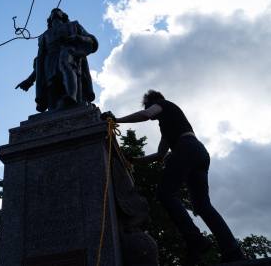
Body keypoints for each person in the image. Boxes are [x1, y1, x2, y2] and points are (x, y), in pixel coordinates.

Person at [102, 90, 245, 264]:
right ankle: (232, 251)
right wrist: (133, 160)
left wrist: (116, 120)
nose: (149, 109)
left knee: (165, 194)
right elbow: (159, 155)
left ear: (154, 101)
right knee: (202, 205)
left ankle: (196, 240)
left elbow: (146, 115)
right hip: (198, 153)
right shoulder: (169, 125)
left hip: (186, 148)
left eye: (148, 104)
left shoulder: (163, 104)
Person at [15, 8, 98, 112]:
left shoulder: (74, 25)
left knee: (66, 65)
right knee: (52, 101)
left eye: (58, 10)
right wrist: (30, 80)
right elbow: (40, 60)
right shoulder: (44, 36)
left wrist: (77, 38)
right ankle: (52, 117)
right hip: (49, 67)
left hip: (70, 57)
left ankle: (71, 96)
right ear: (49, 19)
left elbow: (91, 40)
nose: (55, 11)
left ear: (63, 15)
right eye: (52, 11)